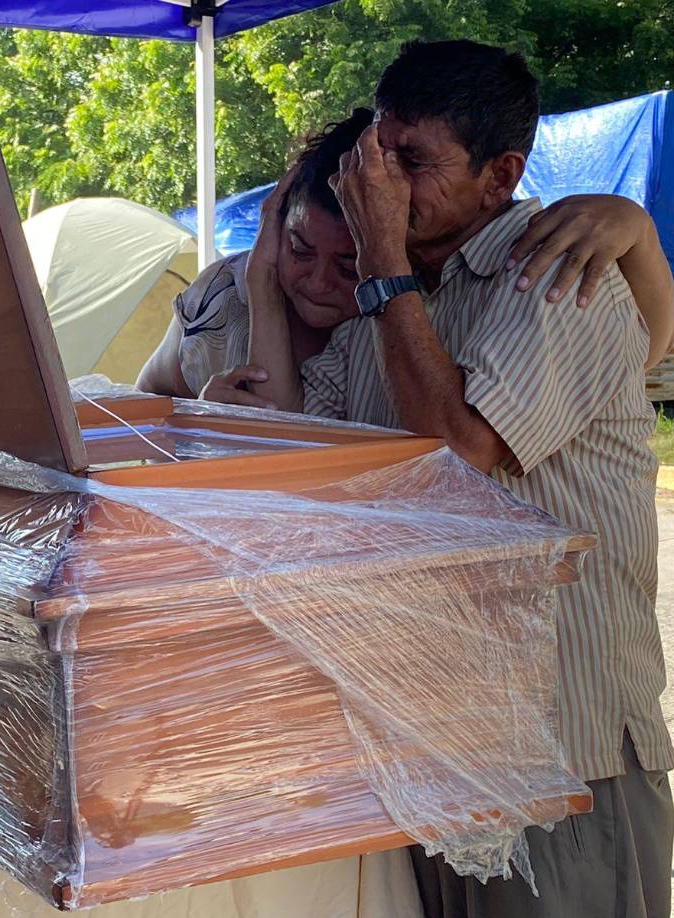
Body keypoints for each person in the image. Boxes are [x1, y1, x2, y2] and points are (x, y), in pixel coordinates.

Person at [246, 40, 672, 918]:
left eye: (414, 162)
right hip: (437, 739)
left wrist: (386, 267)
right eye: (379, 155)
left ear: (499, 173)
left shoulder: (556, 269)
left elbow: (459, 456)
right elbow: (305, 449)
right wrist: (265, 284)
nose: (382, 187)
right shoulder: (394, 295)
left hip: (563, 751)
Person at [136, 116, 674, 406]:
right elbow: (147, 401)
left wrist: (640, 231)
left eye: (350, 266)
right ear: (274, 225)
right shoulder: (222, 296)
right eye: (299, 249)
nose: (319, 281)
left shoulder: (417, 306)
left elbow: (639, 352)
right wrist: (199, 422)